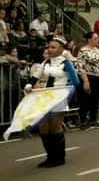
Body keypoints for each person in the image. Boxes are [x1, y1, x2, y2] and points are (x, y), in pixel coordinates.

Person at [24, 37, 80, 167]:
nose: (50, 49)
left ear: (61, 49)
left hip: (58, 97)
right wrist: (28, 85)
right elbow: (34, 77)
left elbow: (75, 81)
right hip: (44, 97)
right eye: (49, 47)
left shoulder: (66, 63)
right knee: (43, 128)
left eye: (53, 47)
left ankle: (59, 158)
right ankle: (50, 157)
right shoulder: (45, 63)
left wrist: (65, 88)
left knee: (55, 127)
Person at [76, 32, 99, 129]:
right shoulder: (83, 51)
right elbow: (80, 66)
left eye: (98, 38)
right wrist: (85, 81)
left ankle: (93, 119)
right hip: (89, 76)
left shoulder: (98, 51)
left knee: (96, 99)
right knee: (85, 100)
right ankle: (83, 121)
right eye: (95, 38)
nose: (98, 40)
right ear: (89, 40)